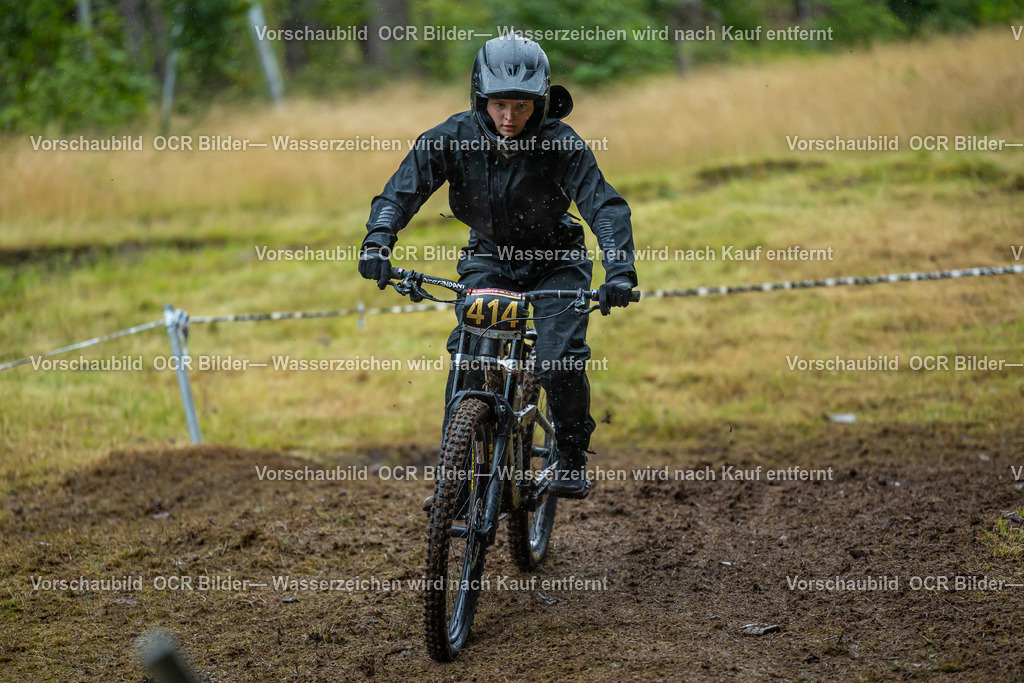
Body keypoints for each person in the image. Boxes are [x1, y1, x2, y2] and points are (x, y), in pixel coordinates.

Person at [358, 32, 637, 497]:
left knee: (558, 360)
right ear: (479, 97)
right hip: (489, 258)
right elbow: (399, 193)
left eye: (523, 106)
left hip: (557, 261)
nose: (510, 118)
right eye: (499, 104)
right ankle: (456, 475)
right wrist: (377, 242)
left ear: (541, 103)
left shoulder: (561, 144)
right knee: (468, 358)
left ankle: (569, 455)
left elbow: (604, 207)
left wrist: (620, 271)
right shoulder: (449, 139)